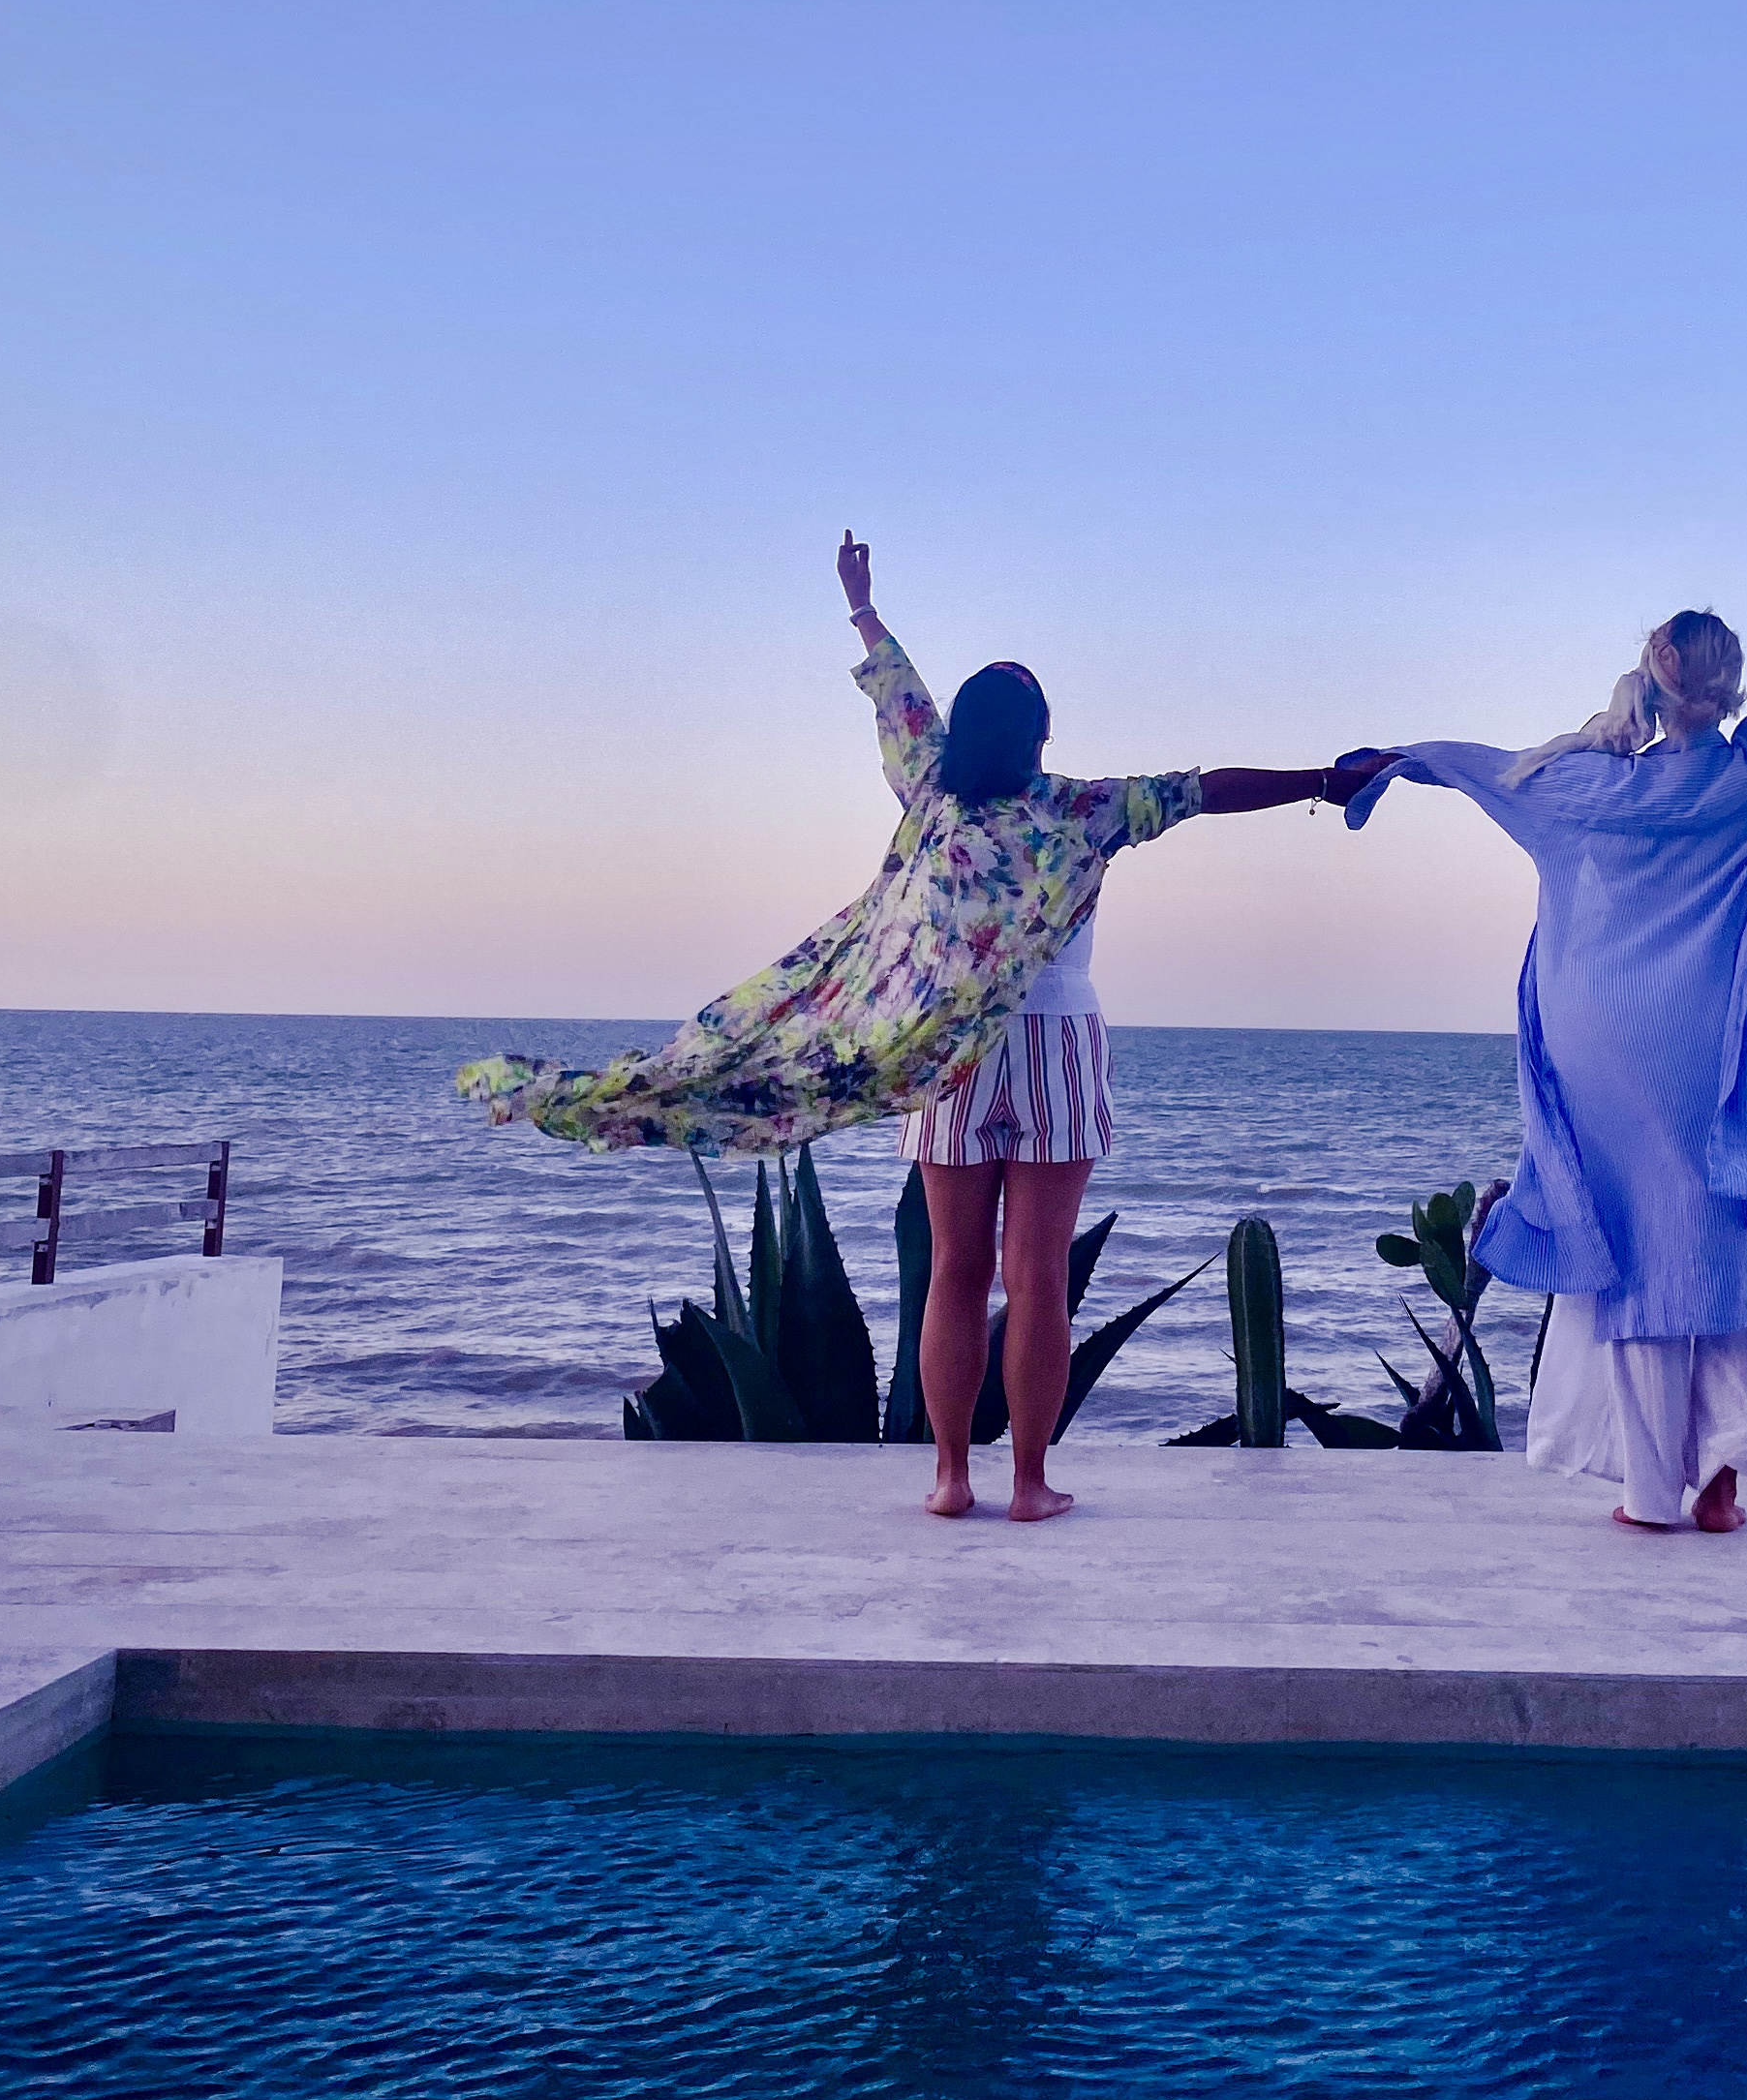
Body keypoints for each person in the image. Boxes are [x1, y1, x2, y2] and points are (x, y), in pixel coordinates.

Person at [460, 530, 1386, 1524]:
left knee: (955, 1270)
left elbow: (896, 692)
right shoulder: (1082, 809)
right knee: (1038, 1281)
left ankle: (951, 1478)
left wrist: (861, 605)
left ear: (963, 733)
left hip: (947, 1055)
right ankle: (1029, 1484)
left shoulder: (931, 791)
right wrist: (1326, 784)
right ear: (1040, 735)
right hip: (1058, 1053)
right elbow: (1210, 789)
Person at [1343, 473, 1747, 1531]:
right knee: (1717, 1243)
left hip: (1604, 1050)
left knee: (1627, 1253)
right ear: (1726, 685)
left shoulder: (1590, 789)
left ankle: (1649, 1493)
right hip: (1713, 1054)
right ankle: (1715, 1481)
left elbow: (1489, 770)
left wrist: (1399, 761)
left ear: (1655, 678)